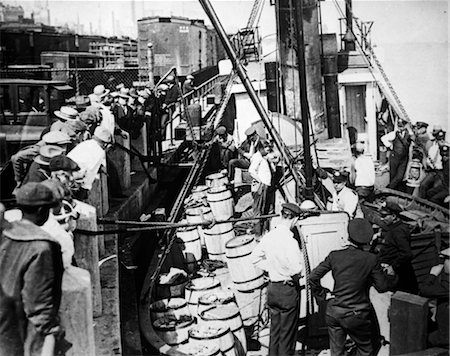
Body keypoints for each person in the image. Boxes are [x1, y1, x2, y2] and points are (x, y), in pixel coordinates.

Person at [309, 218, 397, 356]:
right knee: (366, 349)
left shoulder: (334, 256)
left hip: (334, 312)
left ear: (349, 236)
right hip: (356, 314)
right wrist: (391, 275)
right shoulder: (370, 259)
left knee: (336, 352)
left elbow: (313, 276)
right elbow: (382, 287)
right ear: (367, 240)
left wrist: (322, 294)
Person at [0, 182, 64, 355]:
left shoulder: (6, 232)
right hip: (20, 336)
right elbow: (38, 306)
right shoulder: (41, 247)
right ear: (41, 210)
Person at [251, 203, 303, 356]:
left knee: (275, 332)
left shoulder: (269, 236)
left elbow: (255, 258)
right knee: (287, 335)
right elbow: (296, 269)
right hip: (287, 290)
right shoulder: (291, 241)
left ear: (281, 216)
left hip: (273, 289)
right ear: (295, 219)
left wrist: (271, 266)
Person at [376, 207, 418, 294]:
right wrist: (381, 234)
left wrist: (393, 266)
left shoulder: (398, 231)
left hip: (394, 272)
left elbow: (406, 253)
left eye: (384, 216)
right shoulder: (397, 228)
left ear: (394, 216)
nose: (381, 218)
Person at [419, 247, 449, 348]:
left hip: (445, 338)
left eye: (446, 259)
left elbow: (423, 290)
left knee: (417, 339)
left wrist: (432, 275)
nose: (443, 263)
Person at [67, 126, 112, 191]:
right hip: (77, 178)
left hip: (69, 172)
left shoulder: (85, 143)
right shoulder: (99, 151)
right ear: (105, 144)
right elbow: (90, 171)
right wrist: (86, 187)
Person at [381, 118, 413, 191]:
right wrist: (390, 146)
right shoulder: (394, 133)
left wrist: (409, 130)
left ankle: (387, 190)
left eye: (402, 126)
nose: (400, 128)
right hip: (394, 157)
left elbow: (414, 138)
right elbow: (383, 138)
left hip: (404, 158)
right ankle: (392, 194)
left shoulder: (409, 134)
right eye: (399, 126)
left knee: (399, 177)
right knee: (393, 176)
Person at [249, 140, 272, 236]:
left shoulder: (261, 157)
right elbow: (251, 170)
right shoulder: (257, 157)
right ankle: (258, 234)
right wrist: (260, 181)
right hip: (260, 186)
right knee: (258, 210)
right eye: (266, 148)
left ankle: (262, 231)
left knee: (263, 208)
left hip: (264, 185)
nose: (268, 150)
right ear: (261, 148)